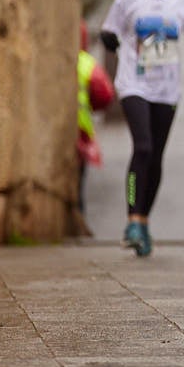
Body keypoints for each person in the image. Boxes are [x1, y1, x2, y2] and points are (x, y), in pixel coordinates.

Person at [101, 0, 184, 257]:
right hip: (134, 83)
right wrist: (108, 39)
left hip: (167, 88)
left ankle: (144, 220)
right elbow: (110, 28)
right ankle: (132, 220)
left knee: (157, 156)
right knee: (143, 147)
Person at [75, 20, 114, 234]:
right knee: (78, 182)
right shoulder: (87, 63)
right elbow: (104, 95)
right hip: (80, 132)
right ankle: (78, 218)